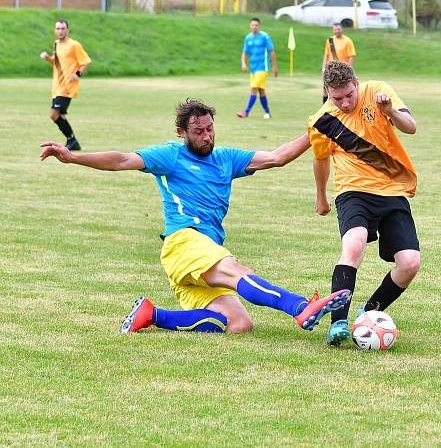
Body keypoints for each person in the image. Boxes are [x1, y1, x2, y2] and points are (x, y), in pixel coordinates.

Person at [40, 98, 350, 335]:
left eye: (210, 129)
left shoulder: (226, 159)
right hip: (183, 242)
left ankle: (152, 314)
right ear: (182, 132)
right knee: (236, 269)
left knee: (239, 323)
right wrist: (73, 158)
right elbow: (121, 160)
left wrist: (317, 129)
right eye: (198, 131)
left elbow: (277, 157)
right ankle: (301, 307)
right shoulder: (170, 156)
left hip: (201, 252)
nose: (206, 136)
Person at [308, 61, 420, 347]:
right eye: (337, 98)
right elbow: (320, 161)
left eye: (349, 95)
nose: (345, 103)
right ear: (326, 92)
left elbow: (411, 127)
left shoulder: (378, 92)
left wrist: (390, 111)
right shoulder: (322, 121)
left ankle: (370, 311)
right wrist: (321, 197)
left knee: (409, 263)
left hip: (392, 189)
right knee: (354, 244)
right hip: (353, 190)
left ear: (357, 83)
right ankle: (338, 323)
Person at [40, 19, 91, 151]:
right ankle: (72, 141)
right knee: (60, 115)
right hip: (57, 86)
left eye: (63, 28)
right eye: (58, 28)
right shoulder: (56, 44)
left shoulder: (74, 45)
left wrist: (78, 74)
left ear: (67, 30)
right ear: (55, 30)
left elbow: (86, 61)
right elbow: (57, 63)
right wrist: (48, 58)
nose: (60, 31)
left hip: (67, 87)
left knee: (53, 114)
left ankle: (72, 140)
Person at [238, 17, 278, 119]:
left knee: (254, 88)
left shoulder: (265, 37)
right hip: (253, 69)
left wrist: (274, 67)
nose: (254, 27)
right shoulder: (248, 38)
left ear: (259, 26)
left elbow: (272, 52)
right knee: (261, 91)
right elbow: (245, 53)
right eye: (252, 25)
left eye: (256, 25)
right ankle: (267, 112)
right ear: (250, 26)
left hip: (263, 68)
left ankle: (246, 112)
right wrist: (243, 63)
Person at [321, 23, 356, 104]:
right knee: (326, 89)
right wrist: (324, 67)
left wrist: (348, 69)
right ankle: (325, 107)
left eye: (338, 29)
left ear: (342, 30)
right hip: (330, 70)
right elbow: (326, 55)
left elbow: (351, 56)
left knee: (341, 88)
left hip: (342, 70)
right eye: (335, 30)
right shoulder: (330, 40)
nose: (336, 31)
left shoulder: (348, 41)